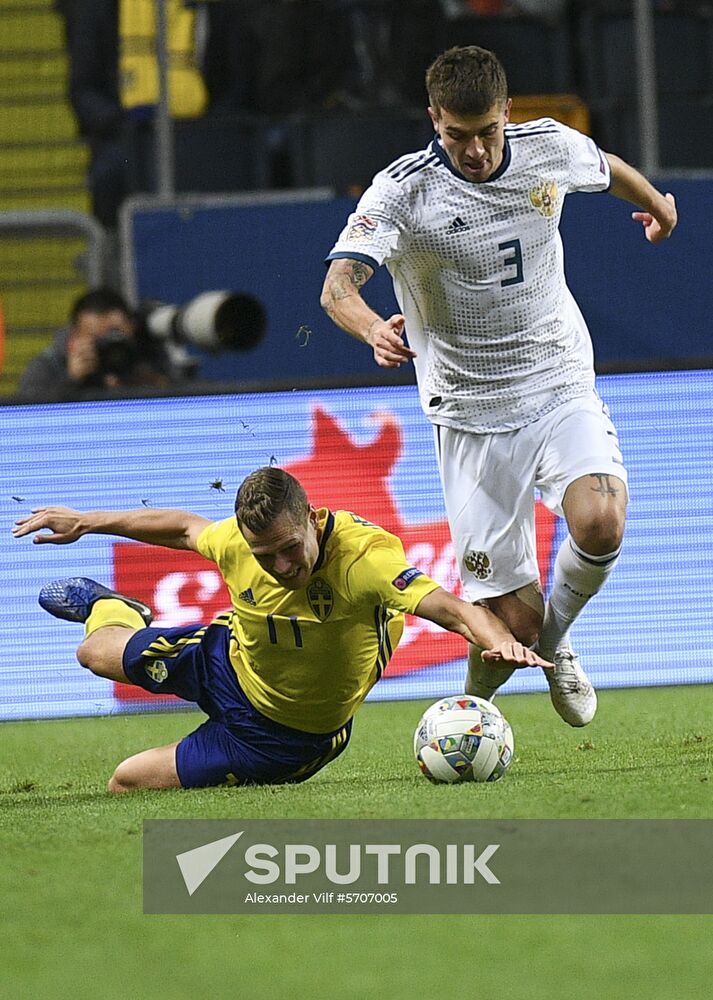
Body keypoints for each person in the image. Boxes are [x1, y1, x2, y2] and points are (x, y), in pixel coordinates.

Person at [321, 45, 677, 727]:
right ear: (434, 120)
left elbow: (605, 168)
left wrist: (657, 206)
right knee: (507, 618)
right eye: (458, 136)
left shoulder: (546, 146)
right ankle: (495, 684)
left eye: (486, 132)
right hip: (468, 411)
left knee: (600, 521)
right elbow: (337, 286)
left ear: (506, 114)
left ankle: (553, 641)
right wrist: (370, 329)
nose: (476, 150)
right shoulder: (402, 190)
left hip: (555, 380)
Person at [12, 467, 551, 792]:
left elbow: (453, 609)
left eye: (290, 549)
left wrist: (500, 641)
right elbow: (183, 527)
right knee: (93, 652)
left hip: (282, 738)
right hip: (229, 660)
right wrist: (87, 521)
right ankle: (113, 607)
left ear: (313, 520)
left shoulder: (365, 560)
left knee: (126, 781)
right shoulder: (238, 544)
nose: (282, 567)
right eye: (264, 555)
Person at [16, 288, 175, 402]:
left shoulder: (151, 354)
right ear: (74, 336)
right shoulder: (48, 366)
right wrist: (71, 381)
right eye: (97, 340)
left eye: (116, 335)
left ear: (132, 328)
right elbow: (29, 418)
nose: (108, 347)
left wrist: (150, 384)